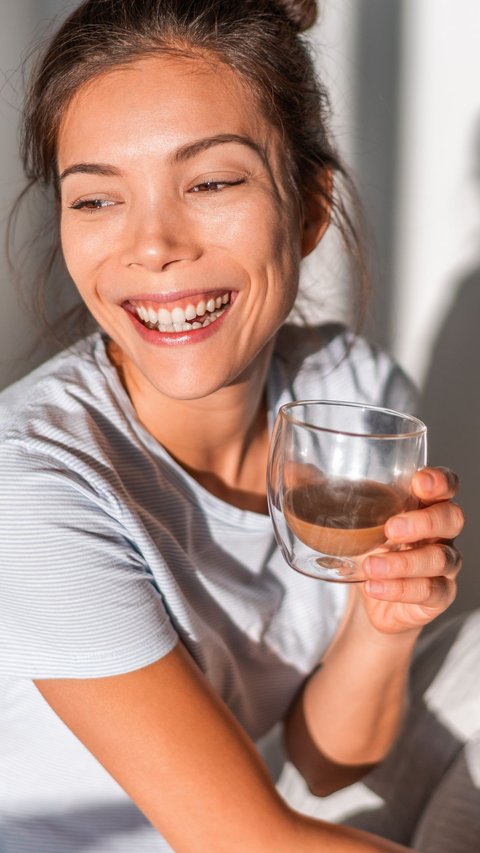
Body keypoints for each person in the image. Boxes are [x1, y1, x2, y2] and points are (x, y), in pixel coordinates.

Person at [0, 1, 476, 851]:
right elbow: (248, 840)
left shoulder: (351, 398)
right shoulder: (32, 484)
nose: (152, 245)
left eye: (211, 182)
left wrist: (384, 616)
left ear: (309, 208)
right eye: (97, 198)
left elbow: (330, 762)